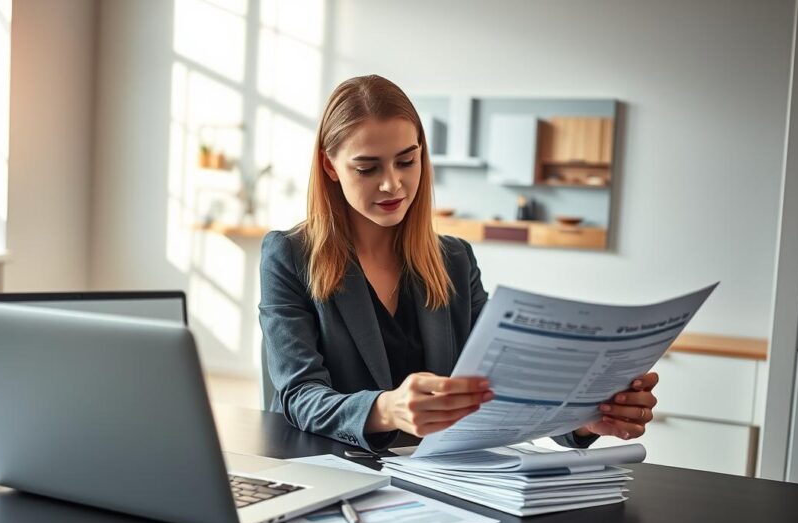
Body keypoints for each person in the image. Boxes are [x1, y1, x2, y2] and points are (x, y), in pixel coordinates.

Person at [258, 75, 658, 451]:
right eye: (367, 168)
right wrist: (387, 408)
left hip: (437, 482)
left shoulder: (454, 260)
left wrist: (585, 421)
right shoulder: (290, 256)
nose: (392, 184)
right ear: (330, 166)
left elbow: (498, 385)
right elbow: (298, 395)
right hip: (333, 476)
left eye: (406, 161)